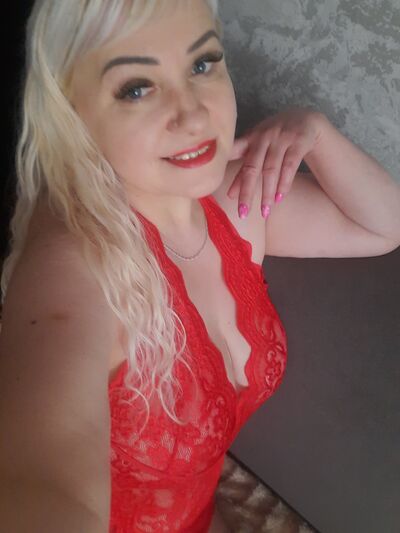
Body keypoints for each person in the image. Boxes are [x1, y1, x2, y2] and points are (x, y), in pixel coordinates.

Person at [0, 1, 399, 532]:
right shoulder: (74, 272)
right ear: (71, 116)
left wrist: (316, 133)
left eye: (202, 63)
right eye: (136, 88)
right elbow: (40, 485)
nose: (192, 115)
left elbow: (381, 227)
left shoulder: (234, 200)